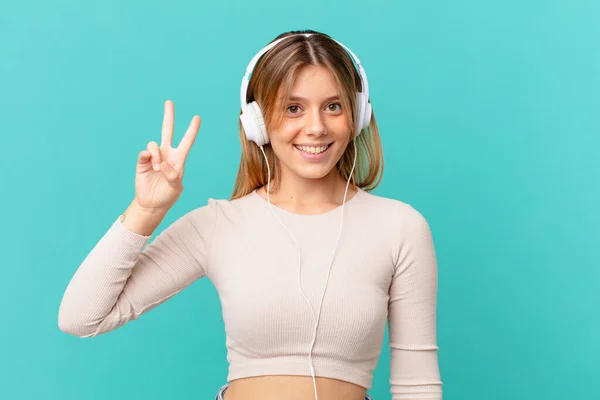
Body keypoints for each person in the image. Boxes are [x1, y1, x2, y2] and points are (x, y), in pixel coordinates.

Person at [58, 30, 443, 400]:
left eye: (334, 106)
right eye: (293, 108)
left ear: (357, 116)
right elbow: (81, 317)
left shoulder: (400, 228)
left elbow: (418, 384)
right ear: (257, 123)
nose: (316, 127)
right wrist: (146, 210)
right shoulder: (217, 226)